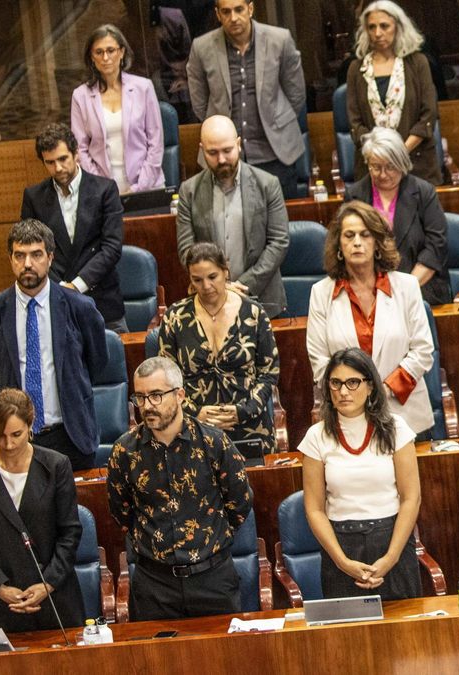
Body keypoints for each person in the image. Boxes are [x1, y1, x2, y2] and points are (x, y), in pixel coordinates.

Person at [107, 356, 253, 621]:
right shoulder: (124, 451)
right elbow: (121, 511)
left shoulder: (214, 443)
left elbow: (239, 502)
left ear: (180, 395)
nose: (147, 406)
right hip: (155, 584)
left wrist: (209, 540)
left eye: (156, 395)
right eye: (140, 397)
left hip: (212, 578)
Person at [0, 219, 109, 472]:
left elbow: (97, 362)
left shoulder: (79, 307)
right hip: (17, 437)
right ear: (10, 259)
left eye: (36, 255)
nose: (27, 264)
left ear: (50, 258)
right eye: (20, 255)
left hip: (71, 435)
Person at [300, 347, 422, 600]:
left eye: (353, 382)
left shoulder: (396, 428)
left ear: (370, 387)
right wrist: (343, 562)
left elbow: (411, 498)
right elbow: (314, 509)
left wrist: (391, 557)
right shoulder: (316, 436)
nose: (343, 391)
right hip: (341, 546)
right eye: (336, 383)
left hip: (391, 541)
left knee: (402, 636)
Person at [0, 389, 85, 633]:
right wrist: (2, 589)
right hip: (3, 605)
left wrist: (47, 584)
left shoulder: (56, 465)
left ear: (31, 424)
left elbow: (70, 533)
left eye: (16, 434)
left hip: (56, 599)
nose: (9, 444)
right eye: (1, 436)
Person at [307, 201, 436, 436]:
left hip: (406, 415)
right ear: (339, 244)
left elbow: (423, 351)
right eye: (349, 235)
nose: (357, 242)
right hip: (347, 417)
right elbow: (320, 361)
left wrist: (382, 390)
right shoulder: (321, 293)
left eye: (365, 235)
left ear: (377, 242)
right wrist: (354, 394)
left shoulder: (406, 286)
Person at [158, 243, 280, 461]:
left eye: (212, 276)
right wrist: (195, 413)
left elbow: (269, 373)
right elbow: (166, 379)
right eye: (197, 279)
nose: (206, 286)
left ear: (226, 272)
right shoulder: (174, 318)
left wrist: (244, 410)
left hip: (250, 424)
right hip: (194, 428)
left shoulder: (254, 313)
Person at [187, 0, 307, 198]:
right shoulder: (202, 48)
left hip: (275, 152)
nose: (233, 18)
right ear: (217, 14)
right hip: (224, 158)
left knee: (281, 224)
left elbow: (296, 94)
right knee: (228, 224)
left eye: (239, 10)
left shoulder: (279, 39)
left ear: (250, 9)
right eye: (226, 12)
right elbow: (199, 102)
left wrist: (276, 122)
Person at [176, 115, 290, 317]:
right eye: (213, 152)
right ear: (202, 150)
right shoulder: (189, 191)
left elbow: (279, 242)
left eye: (227, 151)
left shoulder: (267, 184)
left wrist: (239, 286)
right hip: (210, 303)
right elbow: (187, 250)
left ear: (238, 144)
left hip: (262, 301)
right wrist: (218, 286)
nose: (221, 160)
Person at [20, 123, 127, 332]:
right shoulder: (34, 197)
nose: (58, 168)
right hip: (54, 299)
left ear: (76, 153)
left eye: (63, 159)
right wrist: (60, 288)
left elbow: (112, 247)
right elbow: (30, 251)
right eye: (50, 162)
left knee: (116, 360)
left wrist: (77, 286)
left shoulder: (105, 190)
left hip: (102, 299)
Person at [343, 127, 450, 305]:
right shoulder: (354, 195)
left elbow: (436, 247)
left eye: (390, 167)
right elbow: (348, 245)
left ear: (401, 162)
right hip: (370, 292)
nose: (383, 174)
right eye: (376, 167)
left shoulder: (424, 192)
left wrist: (404, 291)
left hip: (422, 288)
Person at [345, 1, 441, 185]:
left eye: (384, 26)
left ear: (398, 26)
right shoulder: (356, 69)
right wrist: (380, 156)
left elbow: (428, 115)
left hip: (416, 163)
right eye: (371, 27)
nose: (377, 33)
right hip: (372, 167)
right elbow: (355, 123)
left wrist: (398, 153)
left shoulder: (417, 63)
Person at [70, 24, 165, 193]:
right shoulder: (80, 96)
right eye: (99, 52)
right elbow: (80, 149)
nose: (105, 57)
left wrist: (139, 187)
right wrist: (103, 189)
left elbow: (155, 143)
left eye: (110, 50)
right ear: (91, 57)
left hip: (147, 186)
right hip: (101, 191)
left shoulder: (144, 88)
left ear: (121, 52)